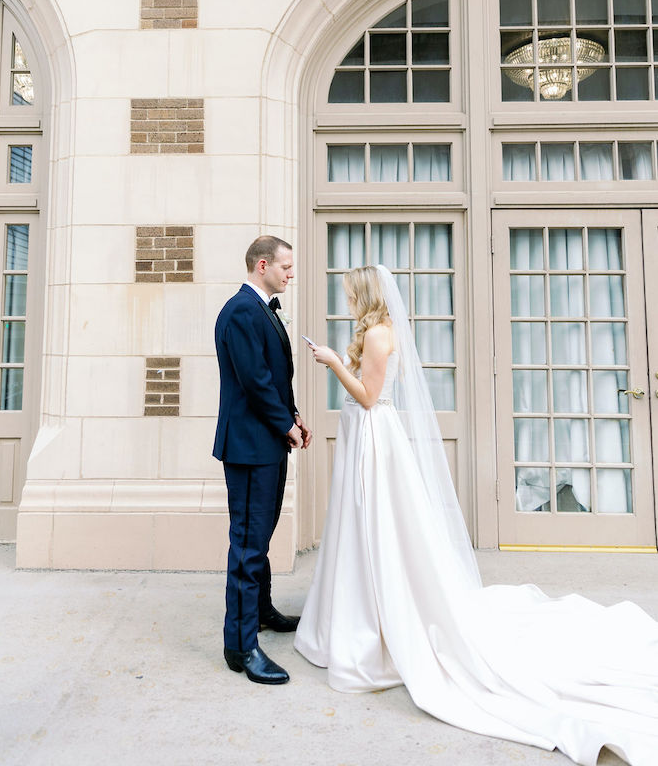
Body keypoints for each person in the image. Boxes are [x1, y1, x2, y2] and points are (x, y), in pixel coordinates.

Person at [294, 264, 658, 766]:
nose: (347, 303)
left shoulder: (379, 335)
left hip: (376, 441)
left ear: (366, 295)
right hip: (367, 439)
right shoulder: (377, 332)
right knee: (364, 532)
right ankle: (365, 611)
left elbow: (371, 398)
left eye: (350, 295)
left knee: (382, 531)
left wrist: (335, 362)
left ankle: (382, 618)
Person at [213, 235, 312, 685]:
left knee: (262, 534)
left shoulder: (264, 308)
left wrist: (292, 416)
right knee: (248, 544)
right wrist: (285, 427)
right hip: (250, 447)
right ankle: (241, 645)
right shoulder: (240, 312)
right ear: (262, 265)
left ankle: (263, 611)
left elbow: (273, 378)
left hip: (268, 440)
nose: (291, 274)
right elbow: (253, 382)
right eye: (286, 267)